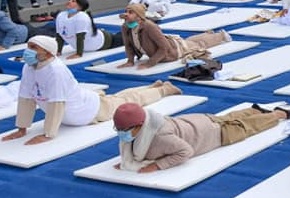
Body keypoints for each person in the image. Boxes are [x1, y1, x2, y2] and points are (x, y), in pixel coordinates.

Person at [0, 36, 181, 145]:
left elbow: (56, 104)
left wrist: (48, 135)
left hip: (91, 111)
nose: (28, 51)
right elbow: (25, 98)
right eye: (28, 47)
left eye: (33, 48)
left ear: (47, 52)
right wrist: (22, 129)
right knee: (123, 97)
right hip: (78, 109)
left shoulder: (55, 70)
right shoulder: (29, 68)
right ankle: (154, 86)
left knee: (130, 100)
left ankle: (164, 90)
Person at [112, 103, 290, 172]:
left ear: (140, 125)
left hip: (212, 134)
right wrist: (127, 162)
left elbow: (186, 151)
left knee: (244, 127)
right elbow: (132, 148)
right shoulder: (145, 126)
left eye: (124, 129)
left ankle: (277, 114)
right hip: (198, 121)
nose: (121, 133)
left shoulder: (160, 137)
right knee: (226, 118)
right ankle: (253, 110)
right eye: (118, 129)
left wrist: (157, 165)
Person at [118, 4, 232, 69]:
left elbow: (164, 47)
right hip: (171, 44)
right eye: (126, 11)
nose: (126, 15)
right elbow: (128, 46)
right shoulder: (125, 27)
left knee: (198, 45)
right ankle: (208, 34)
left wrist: (150, 63)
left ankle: (221, 35)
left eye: (130, 12)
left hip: (175, 50)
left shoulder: (149, 26)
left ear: (139, 16)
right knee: (189, 41)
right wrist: (130, 61)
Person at [55, 0, 121, 59]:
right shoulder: (61, 16)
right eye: (69, 0)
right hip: (90, 44)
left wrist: (78, 54)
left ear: (80, 7)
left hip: (103, 42)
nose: (69, 2)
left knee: (123, 38)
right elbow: (59, 35)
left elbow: (80, 37)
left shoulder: (81, 17)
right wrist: (58, 51)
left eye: (73, 1)